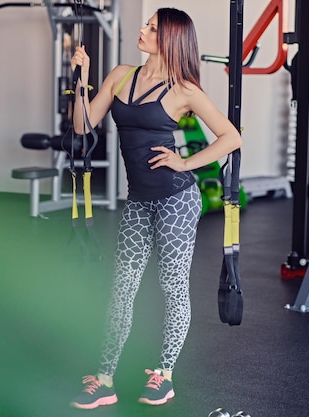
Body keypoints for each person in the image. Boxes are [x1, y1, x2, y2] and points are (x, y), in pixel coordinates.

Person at [68, 7, 242, 409]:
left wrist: (184, 162)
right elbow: (82, 126)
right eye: (145, 25)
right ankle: (105, 379)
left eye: (152, 28)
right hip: (139, 202)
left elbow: (230, 137)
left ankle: (163, 376)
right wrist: (82, 78)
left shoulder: (184, 89)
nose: (142, 30)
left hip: (177, 201)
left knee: (172, 287)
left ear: (171, 40)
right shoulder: (119, 75)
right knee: (122, 290)